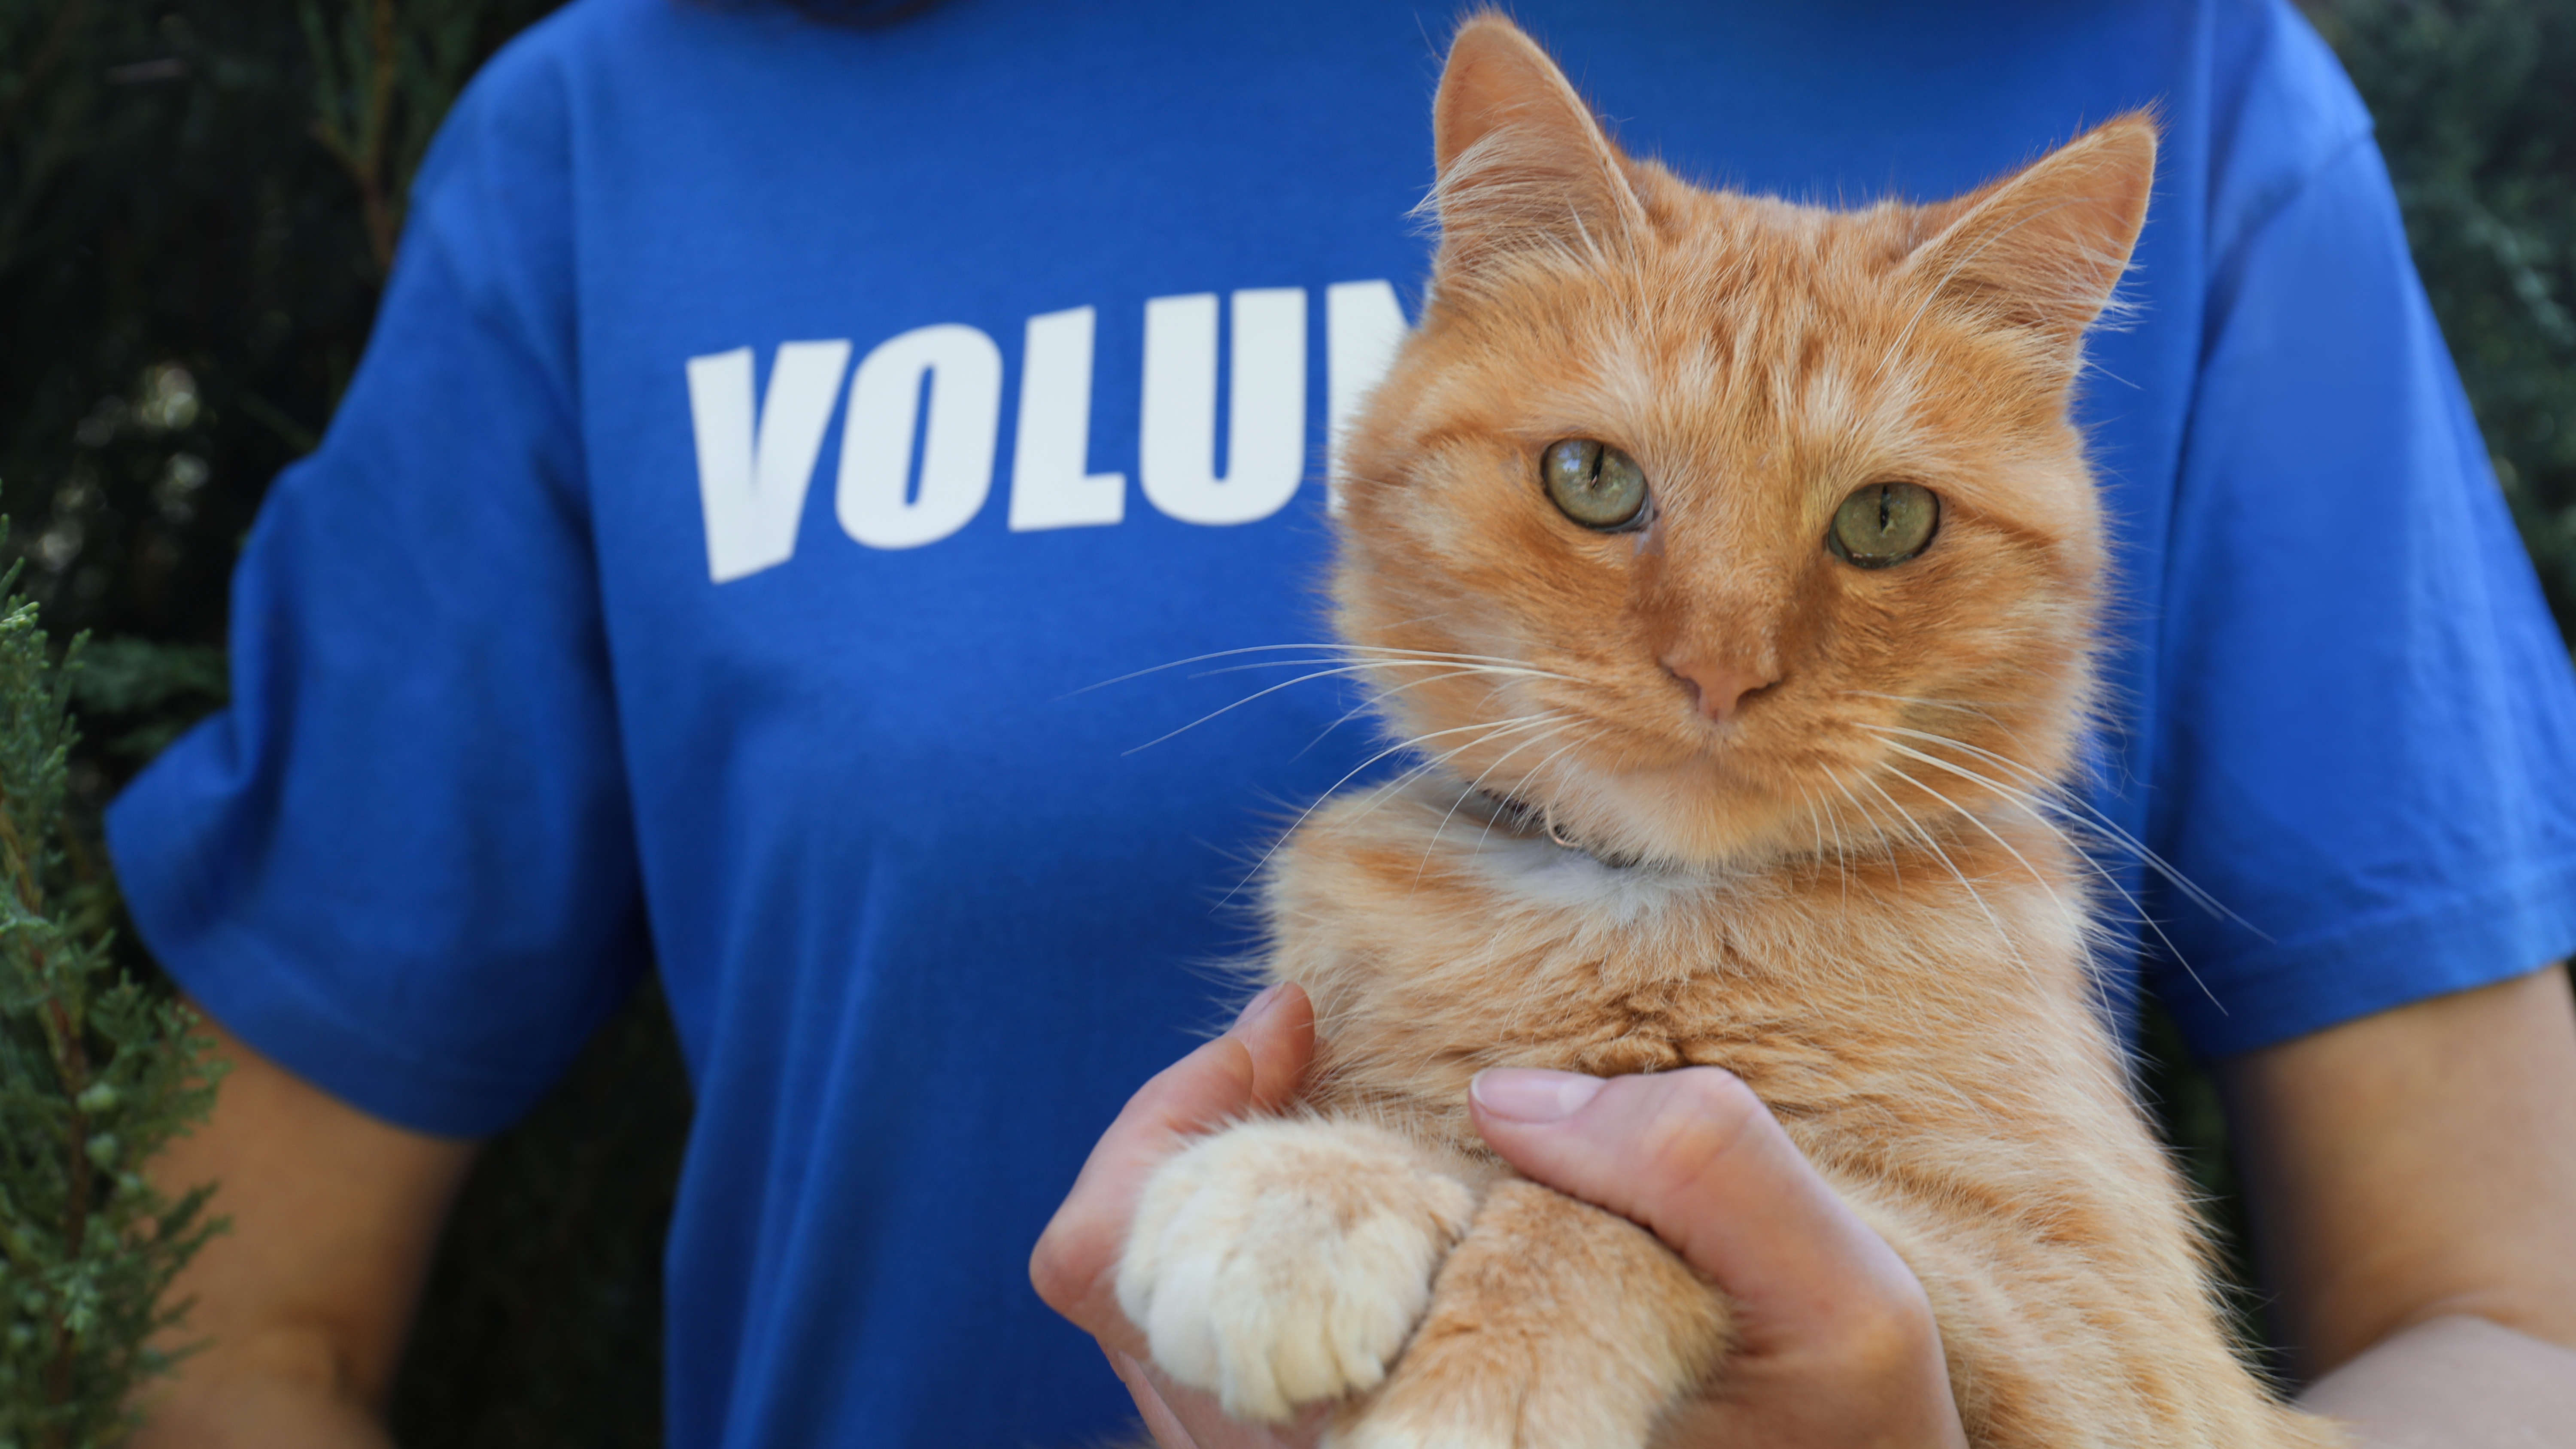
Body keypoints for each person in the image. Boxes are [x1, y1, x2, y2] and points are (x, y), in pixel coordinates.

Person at [115, 2, 2576, 1447]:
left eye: (1873, 535)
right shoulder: (638, 120)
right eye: (1601, 487)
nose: (1723, 659)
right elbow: (212, 1315)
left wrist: (1649, 1305)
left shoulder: (2167, 69)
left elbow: (2518, 1326)